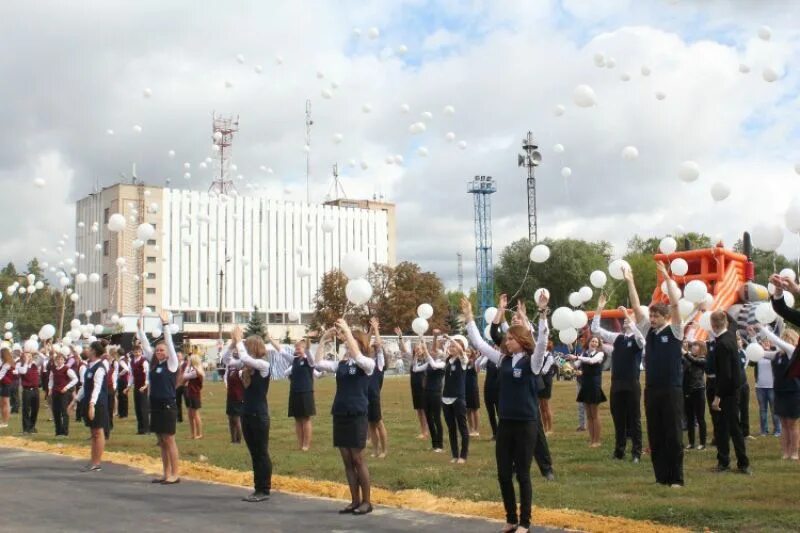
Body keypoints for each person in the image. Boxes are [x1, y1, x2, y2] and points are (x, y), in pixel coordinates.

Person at [463, 292, 549, 533]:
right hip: (506, 423)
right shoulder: (503, 360)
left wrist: (542, 314)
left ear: (521, 340)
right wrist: (470, 317)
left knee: (522, 474)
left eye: (511, 338)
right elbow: (479, 343)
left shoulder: (532, 361)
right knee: (503, 474)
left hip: (526, 424)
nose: (507, 341)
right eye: (507, 338)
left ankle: (525, 523)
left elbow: (541, 342)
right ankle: (511, 519)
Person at [627, 262, 686, 487]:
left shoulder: (675, 331)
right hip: (652, 389)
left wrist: (665, 277)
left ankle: (676, 477)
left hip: (672, 389)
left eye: (656, 317)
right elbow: (635, 306)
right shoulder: (648, 333)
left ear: (665, 317)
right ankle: (661, 476)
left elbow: (675, 304)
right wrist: (630, 281)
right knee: (656, 433)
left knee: (673, 434)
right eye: (650, 316)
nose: (651, 320)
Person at [314, 318, 376, 515]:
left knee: (358, 458)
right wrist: (324, 338)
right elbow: (317, 363)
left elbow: (357, 356)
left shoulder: (367, 363)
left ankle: (367, 501)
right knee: (347, 460)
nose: (347, 345)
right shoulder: (341, 364)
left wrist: (348, 330)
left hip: (357, 413)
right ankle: (354, 501)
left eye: (351, 342)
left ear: (359, 344)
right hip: (340, 412)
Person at [490, 296, 556, 481]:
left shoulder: (528, 334)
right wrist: (501, 310)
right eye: (513, 320)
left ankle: (546, 467)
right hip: (510, 387)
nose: (515, 321)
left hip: (528, 386)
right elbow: (495, 333)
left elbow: (538, 344)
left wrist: (526, 317)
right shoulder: (507, 338)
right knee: (511, 430)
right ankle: (512, 465)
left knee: (535, 429)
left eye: (517, 320)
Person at [222, 326, 273, 502]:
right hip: (247, 412)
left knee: (261, 452)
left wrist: (238, 341)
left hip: (259, 414)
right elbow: (226, 360)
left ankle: (264, 489)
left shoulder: (263, 365)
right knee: (254, 453)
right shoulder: (246, 366)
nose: (242, 348)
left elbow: (244, 357)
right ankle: (257, 488)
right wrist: (231, 343)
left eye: (246, 345)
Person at [591, 296, 644, 462]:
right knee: (618, 417)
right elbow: (596, 329)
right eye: (625, 319)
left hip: (632, 383)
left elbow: (641, 341)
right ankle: (619, 450)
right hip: (617, 383)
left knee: (634, 418)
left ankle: (636, 452)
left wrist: (629, 318)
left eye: (630, 318)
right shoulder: (618, 338)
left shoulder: (637, 338)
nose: (626, 320)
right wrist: (599, 308)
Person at [137, 312, 181, 484]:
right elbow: (147, 346)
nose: (159, 352)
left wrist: (165, 325)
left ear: (168, 353)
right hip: (154, 403)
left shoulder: (172, 363)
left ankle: (175, 474)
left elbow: (169, 343)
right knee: (161, 440)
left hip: (167, 404)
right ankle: (166, 472)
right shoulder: (155, 364)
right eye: (158, 350)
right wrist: (140, 330)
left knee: (169, 439)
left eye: (162, 350)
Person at [709, 311, 751, 474]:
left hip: (727, 391)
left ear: (713, 325)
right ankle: (740, 462)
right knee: (734, 427)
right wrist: (724, 312)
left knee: (726, 428)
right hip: (736, 388)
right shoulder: (731, 334)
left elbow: (725, 374)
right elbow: (733, 323)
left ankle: (731, 462)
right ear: (725, 322)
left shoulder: (721, 344)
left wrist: (717, 397)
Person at [266, 331, 318, 451]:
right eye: (296, 348)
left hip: (306, 392)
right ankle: (300, 444)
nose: (296, 350)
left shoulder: (309, 361)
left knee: (305, 419)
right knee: (297, 418)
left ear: (304, 349)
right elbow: (281, 351)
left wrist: (308, 339)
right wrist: (270, 339)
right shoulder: (294, 360)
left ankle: (306, 444)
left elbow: (309, 353)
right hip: (294, 392)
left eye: (299, 348)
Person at [755, 324, 799, 459]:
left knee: (792, 425)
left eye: (786, 340)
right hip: (779, 392)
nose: (783, 343)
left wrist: (764, 330)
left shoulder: (793, 352)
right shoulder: (777, 355)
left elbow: (778, 342)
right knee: (784, 425)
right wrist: (752, 337)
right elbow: (759, 353)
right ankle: (786, 452)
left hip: (793, 392)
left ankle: (795, 452)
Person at [70, 341, 109, 472]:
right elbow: (85, 386)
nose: (86, 350)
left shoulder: (100, 367)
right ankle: (93, 460)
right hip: (89, 401)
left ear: (93, 351)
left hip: (98, 403)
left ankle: (96, 462)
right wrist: (75, 400)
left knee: (98, 432)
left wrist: (92, 404)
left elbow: (97, 387)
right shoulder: (89, 366)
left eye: (88, 348)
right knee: (93, 433)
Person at [566, 335, 607, 448]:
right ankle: (592, 440)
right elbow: (575, 366)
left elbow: (592, 361)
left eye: (596, 342)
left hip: (594, 385)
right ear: (588, 342)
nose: (594, 343)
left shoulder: (600, 354)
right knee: (588, 415)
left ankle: (597, 440)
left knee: (595, 414)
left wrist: (577, 357)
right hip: (585, 385)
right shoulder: (584, 354)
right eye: (592, 341)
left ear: (598, 345)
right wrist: (568, 362)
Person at [746, 326, 781, 437]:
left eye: (767, 342)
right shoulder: (758, 355)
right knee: (763, 410)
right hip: (760, 387)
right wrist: (752, 336)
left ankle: (778, 430)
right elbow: (754, 348)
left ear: (770, 343)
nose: (766, 344)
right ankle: (764, 430)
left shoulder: (774, 354)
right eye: (764, 342)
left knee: (774, 410)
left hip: (772, 386)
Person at [441, 335, 470, 463]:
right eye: (450, 346)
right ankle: (454, 455)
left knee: (462, 427)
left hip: (458, 398)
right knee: (451, 428)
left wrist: (451, 338)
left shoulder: (463, 360)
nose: (451, 347)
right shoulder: (448, 360)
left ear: (460, 348)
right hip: (446, 398)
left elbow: (462, 351)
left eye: (454, 346)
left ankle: (463, 455)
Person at [418, 330, 445, 453]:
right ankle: (434, 444)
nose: (432, 352)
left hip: (436, 393)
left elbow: (433, 364)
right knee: (428, 418)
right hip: (427, 393)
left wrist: (426, 347)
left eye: (435, 352)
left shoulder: (442, 363)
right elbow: (415, 368)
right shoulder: (429, 363)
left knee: (437, 419)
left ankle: (440, 445)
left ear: (439, 354)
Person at [400, 328, 429, 440]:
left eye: (419, 349)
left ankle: (427, 431)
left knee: (425, 410)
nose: (417, 350)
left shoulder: (426, 360)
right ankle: (423, 431)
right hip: (415, 388)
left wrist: (422, 340)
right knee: (419, 410)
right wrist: (400, 337)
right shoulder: (413, 360)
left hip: (424, 387)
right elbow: (403, 349)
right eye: (416, 349)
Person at [366, 318, 388, 458]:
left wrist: (376, 329)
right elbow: (364, 344)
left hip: (373, 396)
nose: (372, 349)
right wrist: (370, 331)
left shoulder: (379, 364)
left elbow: (379, 346)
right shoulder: (366, 362)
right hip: (364, 395)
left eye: (374, 349)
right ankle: (375, 450)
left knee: (378, 423)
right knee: (370, 425)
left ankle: (384, 450)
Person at [682, 341, 708, 450]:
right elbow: (684, 361)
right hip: (688, 391)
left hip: (698, 390)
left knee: (700, 418)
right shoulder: (688, 357)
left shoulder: (703, 359)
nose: (693, 347)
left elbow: (694, 361)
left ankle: (702, 442)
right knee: (690, 418)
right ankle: (691, 442)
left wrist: (684, 352)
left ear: (701, 348)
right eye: (692, 346)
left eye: (696, 346)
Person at [48, 351, 78, 437]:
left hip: (64, 393)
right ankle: (58, 431)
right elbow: (51, 380)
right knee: (56, 412)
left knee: (64, 412)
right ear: (55, 361)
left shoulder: (67, 369)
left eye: (61, 359)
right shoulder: (53, 369)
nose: (59, 361)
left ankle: (65, 431)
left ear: (64, 360)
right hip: (55, 392)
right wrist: (50, 389)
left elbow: (75, 379)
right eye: (58, 359)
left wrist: (66, 387)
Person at [17, 346, 41, 434]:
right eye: (26, 356)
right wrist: (26, 361)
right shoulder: (20, 365)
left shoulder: (35, 364)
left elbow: (43, 359)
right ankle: (26, 428)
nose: (28, 358)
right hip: (27, 390)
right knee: (26, 409)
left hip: (35, 390)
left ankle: (32, 427)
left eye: (30, 356)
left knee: (35, 409)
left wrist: (37, 351)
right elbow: (23, 372)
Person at [182, 354, 204, 439]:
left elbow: (185, 376)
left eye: (190, 360)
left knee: (195, 414)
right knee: (190, 414)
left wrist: (187, 366)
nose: (188, 362)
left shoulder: (196, 371)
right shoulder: (194, 370)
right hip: (191, 393)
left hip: (195, 394)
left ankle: (199, 433)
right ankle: (193, 434)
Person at [130, 344, 150, 435]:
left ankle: (146, 428)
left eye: (138, 352)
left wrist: (145, 385)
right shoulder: (132, 361)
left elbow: (147, 374)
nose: (137, 353)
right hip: (136, 386)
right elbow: (131, 375)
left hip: (143, 386)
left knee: (143, 407)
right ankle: (140, 428)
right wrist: (128, 386)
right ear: (133, 352)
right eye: (135, 352)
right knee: (137, 407)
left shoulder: (144, 361)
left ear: (141, 352)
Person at [224, 356, 244, 444]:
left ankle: (238, 440)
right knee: (230, 418)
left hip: (238, 397)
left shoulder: (241, 369)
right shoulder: (230, 368)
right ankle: (233, 440)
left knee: (236, 418)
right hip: (230, 396)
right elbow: (225, 377)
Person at [537, 341, 555, 435]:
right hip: (539, 381)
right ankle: (544, 428)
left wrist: (535, 371)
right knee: (541, 406)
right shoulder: (540, 355)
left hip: (546, 382)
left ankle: (550, 428)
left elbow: (544, 371)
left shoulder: (550, 357)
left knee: (546, 406)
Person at [465, 347, 481, 437]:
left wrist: (474, 361)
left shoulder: (474, 362)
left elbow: (477, 371)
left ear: (472, 353)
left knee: (475, 409)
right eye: (466, 352)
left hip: (472, 388)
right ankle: (471, 429)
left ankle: (476, 429)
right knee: (467, 410)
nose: (467, 353)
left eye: (468, 352)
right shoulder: (464, 362)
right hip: (464, 388)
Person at [0, 347, 15, 428]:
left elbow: (1, 375)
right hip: (5, 384)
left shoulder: (7, 364)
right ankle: (3, 421)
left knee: (5, 403)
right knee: (3, 404)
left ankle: (5, 422)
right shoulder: (7, 363)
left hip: (6, 385)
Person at [117, 349, 130, 419]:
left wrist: (119, 374)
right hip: (125, 380)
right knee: (123, 397)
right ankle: (122, 413)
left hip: (123, 380)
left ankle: (123, 414)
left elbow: (126, 369)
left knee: (122, 396)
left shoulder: (121, 360)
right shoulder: (126, 359)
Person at [175, 351, 187, 423]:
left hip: (185, 385)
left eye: (179, 356)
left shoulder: (185, 364)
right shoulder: (175, 365)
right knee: (178, 403)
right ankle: (179, 418)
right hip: (177, 386)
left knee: (187, 401)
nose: (177, 357)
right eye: (176, 356)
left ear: (182, 357)